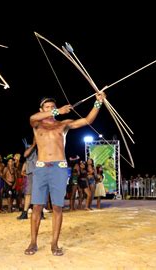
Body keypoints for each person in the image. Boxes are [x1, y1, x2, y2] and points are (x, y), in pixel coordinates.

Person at [24, 93, 105, 256]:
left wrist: (98, 103)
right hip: (40, 168)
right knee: (37, 207)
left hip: (59, 167)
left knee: (57, 207)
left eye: (53, 107)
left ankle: (54, 244)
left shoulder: (63, 125)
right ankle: (33, 242)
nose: (51, 109)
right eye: (47, 107)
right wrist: (57, 111)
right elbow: (33, 117)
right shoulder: (36, 124)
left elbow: (87, 121)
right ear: (42, 109)